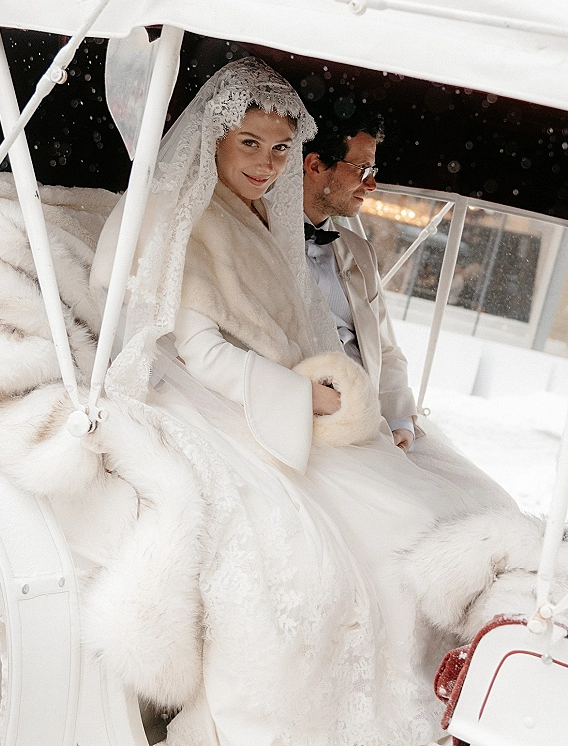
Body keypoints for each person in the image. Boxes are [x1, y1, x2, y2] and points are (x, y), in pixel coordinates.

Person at [89, 57, 544, 746]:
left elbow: (363, 346)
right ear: (215, 137)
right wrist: (301, 396)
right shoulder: (192, 218)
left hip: (292, 397)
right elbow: (202, 351)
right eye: (250, 143)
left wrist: (367, 408)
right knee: (378, 535)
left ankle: (467, 672)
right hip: (223, 399)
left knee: (436, 504)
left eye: (279, 148)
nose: (266, 163)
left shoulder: (267, 220)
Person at [301, 111, 417, 453]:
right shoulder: (259, 240)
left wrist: (399, 420)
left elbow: (385, 348)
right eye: (362, 169)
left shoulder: (360, 252)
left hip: (374, 422)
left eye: (373, 171)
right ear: (315, 166)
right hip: (308, 421)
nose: (372, 184)